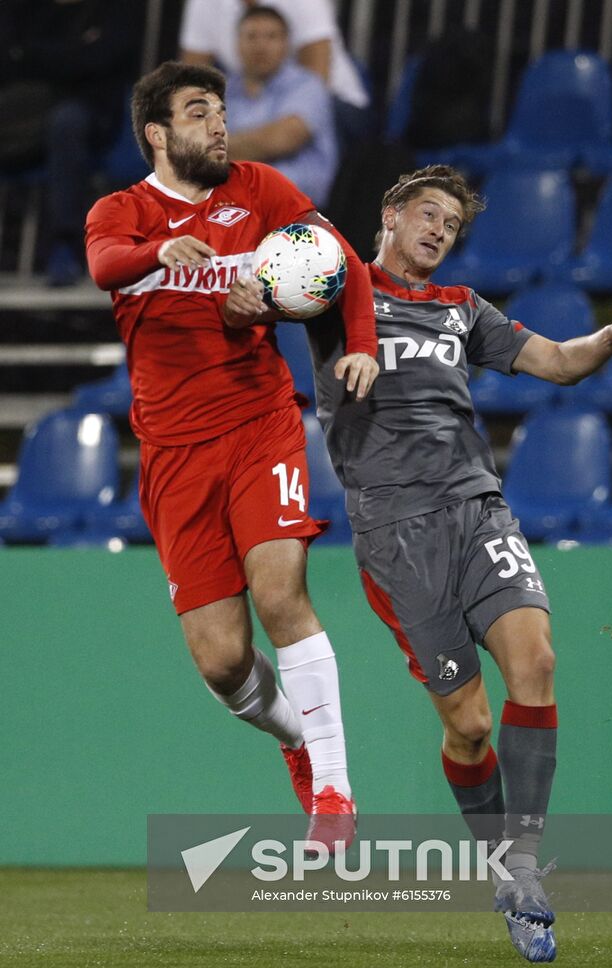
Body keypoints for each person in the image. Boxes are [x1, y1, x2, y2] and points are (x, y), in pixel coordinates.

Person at [307, 165, 612, 960]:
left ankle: (522, 866)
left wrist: (604, 338)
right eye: (425, 214)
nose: (437, 231)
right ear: (388, 215)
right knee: (469, 726)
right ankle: (499, 859)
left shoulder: (461, 310)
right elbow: (275, 288)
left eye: (451, 225)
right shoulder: (337, 289)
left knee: (535, 660)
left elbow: (557, 362)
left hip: (475, 506)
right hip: (395, 534)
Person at [84, 61, 379, 851]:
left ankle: (335, 791)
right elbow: (105, 265)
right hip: (174, 456)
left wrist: (358, 346)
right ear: (158, 133)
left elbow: (340, 262)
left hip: (258, 425)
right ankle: (296, 743)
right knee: (222, 661)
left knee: (279, 594)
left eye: (220, 110)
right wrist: (160, 253)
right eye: (198, 112)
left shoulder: (260, 190)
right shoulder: (121, 212)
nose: (219, 124)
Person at [0, 0, 144, 286]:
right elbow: (7, 58)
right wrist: (73, 54)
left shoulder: (120, 8)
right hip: (25, 108)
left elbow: (106, 58)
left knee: (66, 124)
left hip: (93, 111)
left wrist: (33, 55)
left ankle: (64, 244)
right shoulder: (18, 8)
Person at [178, 0, 371, 147]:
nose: (261, 46)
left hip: (333, 100)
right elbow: (193, 82)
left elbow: (315, 86)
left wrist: (206, 147)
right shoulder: (203, 4)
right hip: (251, 97)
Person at [225, 6, 338, 207]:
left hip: (295, 213)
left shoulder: (307, 85)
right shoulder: (222, 89)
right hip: (231, 206)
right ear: (237, 44)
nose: (260, 46)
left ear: (286, 44)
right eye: (251, 37)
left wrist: (213, 148)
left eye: (271, 37)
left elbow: (281, 139)